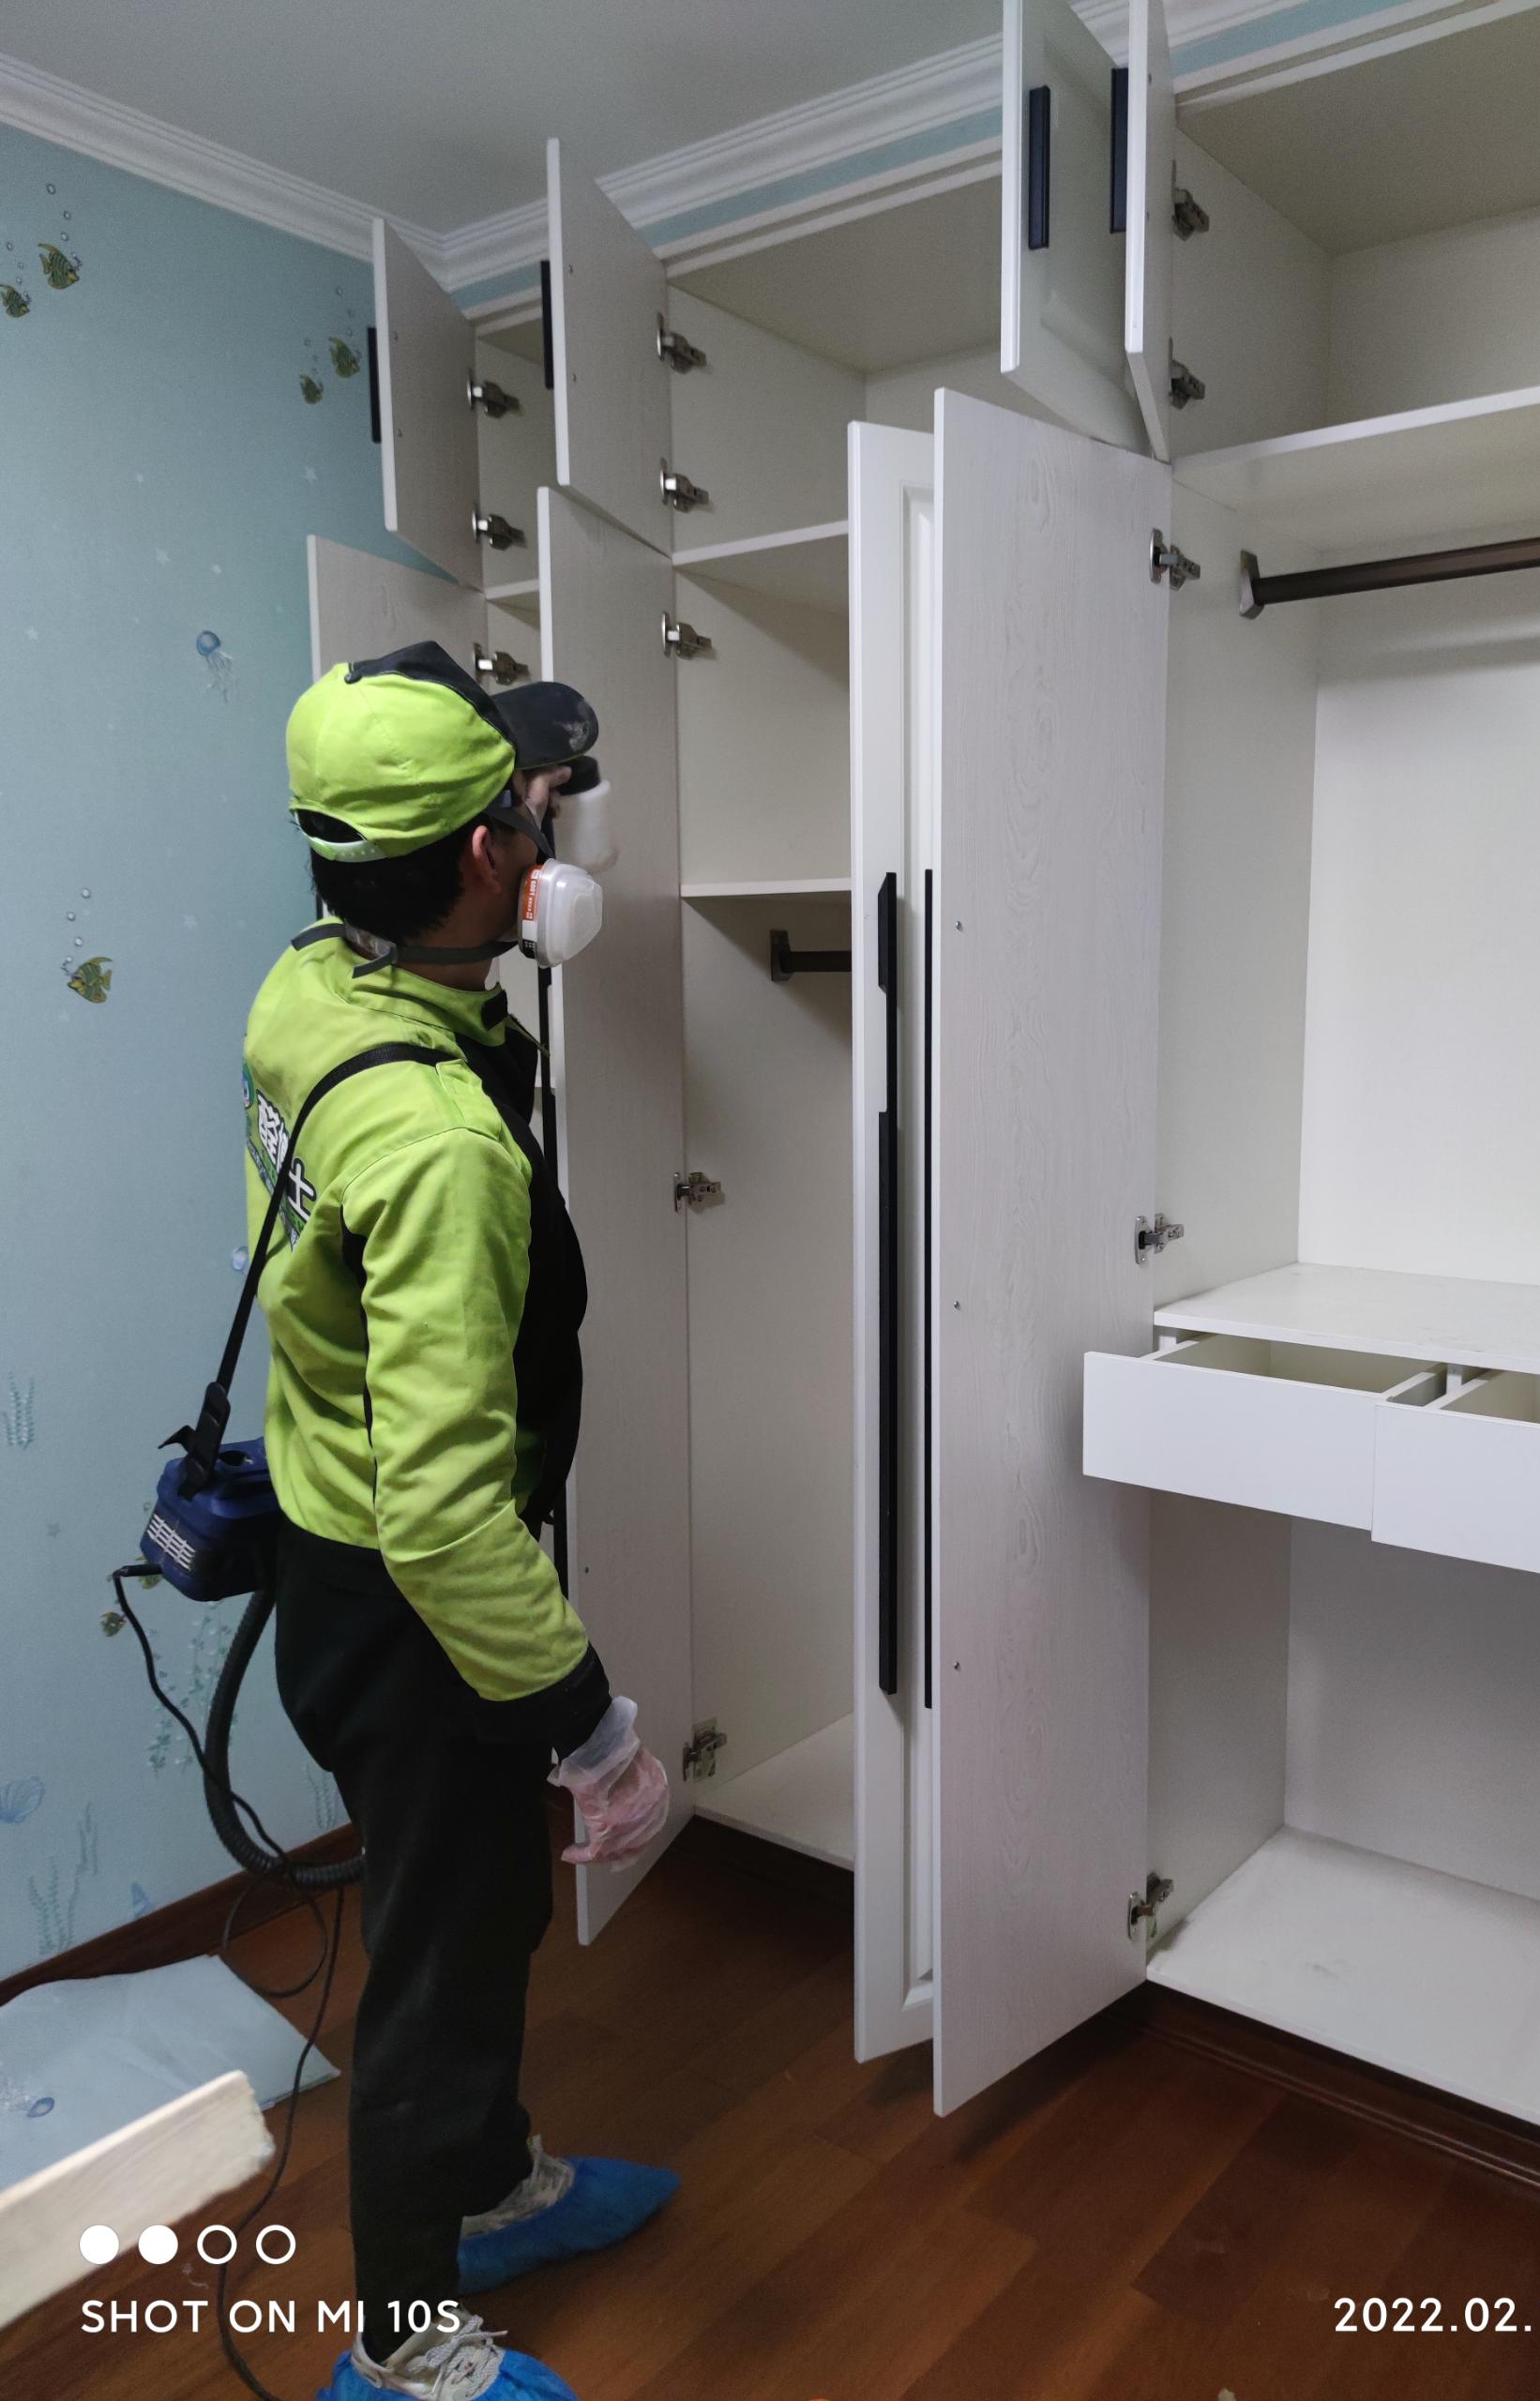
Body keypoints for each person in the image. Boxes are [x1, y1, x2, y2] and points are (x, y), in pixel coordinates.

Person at [246, 642, 676, 2401]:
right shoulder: (437, 1143)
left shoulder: (317, 984)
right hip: (416, 1602)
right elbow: (440, 1517)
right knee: (435, 1974)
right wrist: (594, 1729)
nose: (553, 831)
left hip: (339, 1552)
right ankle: (404, 2339)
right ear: (491, 857)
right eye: (533, 812)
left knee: (485, 1918)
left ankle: (492, 2193)